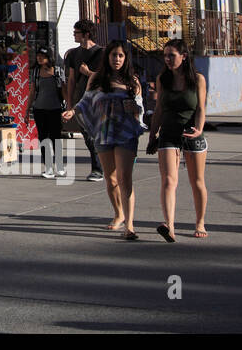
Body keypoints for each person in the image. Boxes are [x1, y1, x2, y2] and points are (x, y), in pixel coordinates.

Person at [62, 40, 146, 240]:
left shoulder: (132, 81)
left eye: (120, 56)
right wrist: (72, 111)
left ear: (125, 59)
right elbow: (86, 100)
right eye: (113, 55)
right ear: (107, 57)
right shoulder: (97, 79)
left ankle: (130, 225)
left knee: (125, 178)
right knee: (111, 178)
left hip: (126, 133)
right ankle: (119, 214)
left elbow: (141, 107)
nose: (116, 59)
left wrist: (135, 109)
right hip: (103, 132)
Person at [151, 38, 209, 241]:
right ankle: (170, 226)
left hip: (192, 132)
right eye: (165, 55)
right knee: (168, 180)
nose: (167, 59)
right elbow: (158, 109)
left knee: (197, 181)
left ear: (184, 57)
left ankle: (200, 222)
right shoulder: (162, 79)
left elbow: (201, 107)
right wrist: (152, 135)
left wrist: (199, 129)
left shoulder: (198, 80)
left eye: (172, 55)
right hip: (168, 132)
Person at [63, 19, 106, 183]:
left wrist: (88, 73)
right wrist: (69, 102)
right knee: (87, 135)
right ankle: (99, 166)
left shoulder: (102, 53)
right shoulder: (73, 54)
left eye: (76, 32)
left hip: (98, 100)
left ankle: (98, 168)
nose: (74, 35)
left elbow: (105, 78)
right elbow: (72, 79)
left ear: (86, 34)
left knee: (96, 134)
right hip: (80, 100)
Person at [30, 48, 67, 179]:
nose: (39, 58)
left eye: (42, 56)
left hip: (55, 109)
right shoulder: (35, 72)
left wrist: (68, 108)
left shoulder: (57, 71)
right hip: (39, 109)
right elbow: (32, 92)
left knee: (55, 137)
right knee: (43, 138)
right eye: (38, 56)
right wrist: (27, 110)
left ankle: (60, 165)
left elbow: (64, 90)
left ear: (49, 57)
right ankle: (48, 167)